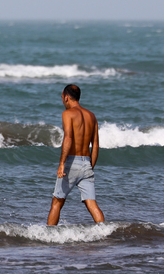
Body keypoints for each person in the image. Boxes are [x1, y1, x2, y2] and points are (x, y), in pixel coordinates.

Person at [47, 84, 105, 225]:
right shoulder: (92, 116)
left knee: (57, 202)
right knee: (91, 203)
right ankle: (105, 232)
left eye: (62, 97)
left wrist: (62, 164)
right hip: (87, 163)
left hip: (71, 163)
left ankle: (48, 236)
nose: (62, 101)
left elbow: (68, 138)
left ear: (66, 97)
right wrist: (90, 166)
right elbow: (96, 145)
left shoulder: (67, 114)